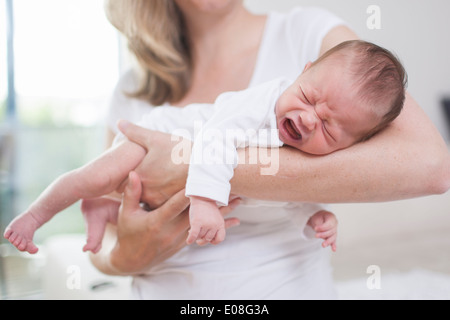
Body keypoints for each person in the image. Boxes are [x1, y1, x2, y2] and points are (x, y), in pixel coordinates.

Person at [91, 1, 449, 300]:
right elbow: (102, 227)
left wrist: (193, 166)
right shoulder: (132, 88)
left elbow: (433, 166)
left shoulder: (308, 34)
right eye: (307, 100)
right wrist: (123, 259)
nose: (310, 120)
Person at [4, 39, 406, 254]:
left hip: (175, 173)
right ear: (300, 74)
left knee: (138, 200)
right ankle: (35, 215)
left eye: (330, 129)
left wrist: (317, 215)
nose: (307, 117)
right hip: (163, 137)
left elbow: (287, 193)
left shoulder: (308, 156)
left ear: (350, 147)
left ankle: (101, 207)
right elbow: (218, 136)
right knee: (95, 176)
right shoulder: (265, 101)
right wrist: (203, 200)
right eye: (308, 96)